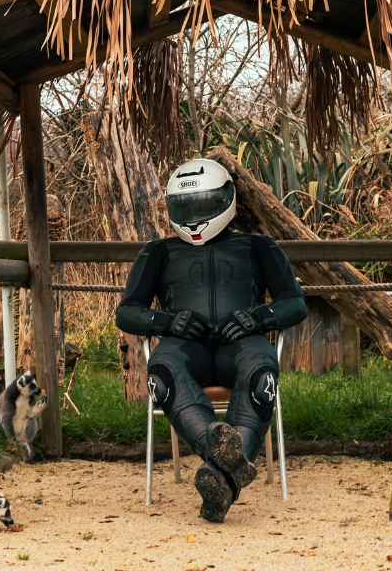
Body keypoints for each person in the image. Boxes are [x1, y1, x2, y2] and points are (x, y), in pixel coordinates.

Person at [115, 157, 307, 523]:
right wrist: (169, 322)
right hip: (186, 350)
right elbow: (128, 312)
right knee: (162, 370)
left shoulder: (259, 246)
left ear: (226, 200)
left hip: (243, 345)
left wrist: (257, 317)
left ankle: (218, 476)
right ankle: (228, 465)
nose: (194, 214)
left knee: (262, 371)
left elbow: (294, 304)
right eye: (186, 206)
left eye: (203, 204)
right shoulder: (158, 252)